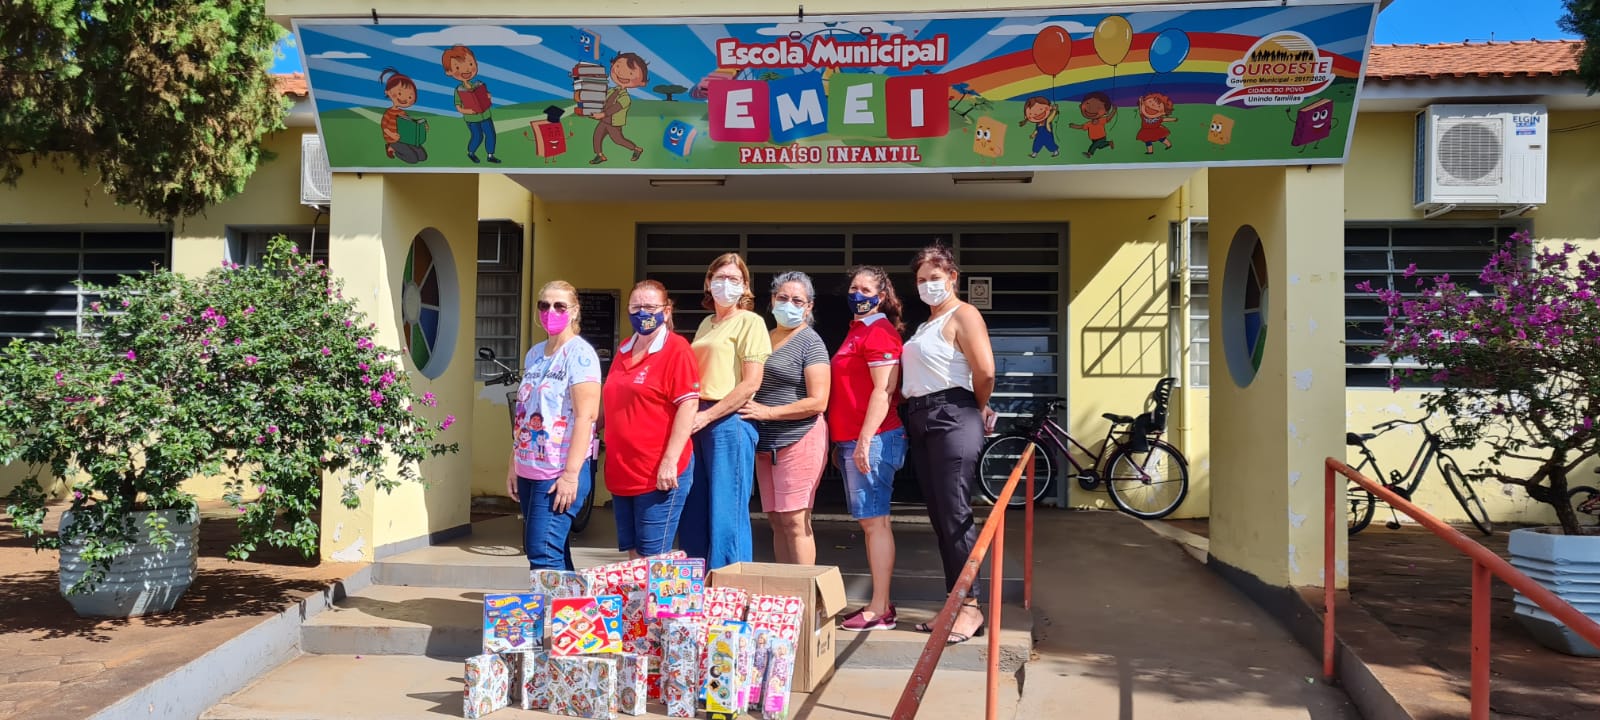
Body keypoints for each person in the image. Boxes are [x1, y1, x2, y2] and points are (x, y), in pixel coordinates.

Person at [902, 245, 998, 646]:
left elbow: (985, 371)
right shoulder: (927, 324)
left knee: (955, 512)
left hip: (952, 413)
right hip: (921, 416)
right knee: (941, 516)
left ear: (953, 277)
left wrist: (976, 407)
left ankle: (971, 606)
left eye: (935, 278)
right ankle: (953, 602)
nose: (928, 285)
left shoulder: (964, 314)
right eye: (921, 280)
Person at [680, 254, 771, 568]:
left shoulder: (750, 322)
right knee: (694, 507)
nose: (726, 284)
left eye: (734, 279)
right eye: (720, 278)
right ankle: (696, 581)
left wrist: (709, 415)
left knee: (726, 512)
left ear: (745, 286)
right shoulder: (706, 324)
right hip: (697, 418)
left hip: (727, 421)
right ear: (708, 282)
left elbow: (751, 383)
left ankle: (730, 583)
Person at [830, 265, 907, 631]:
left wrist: (863, 440)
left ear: (881, 296)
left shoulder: (879, 332)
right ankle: (880, 605)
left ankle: (879, 609)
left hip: (874, 439)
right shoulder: (857, 330)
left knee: (875, 523)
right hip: (857, 439)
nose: (857, 294)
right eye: (853, 288)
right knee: (872, 522)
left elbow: (884, 390)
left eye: (865, 289)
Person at [603, 280, 700, 558]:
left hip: (657, 473)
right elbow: (610, 402)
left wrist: (670, 461)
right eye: (636, 307)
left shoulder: (677, 349)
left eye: (650, 307)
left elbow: (688, 405)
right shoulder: (624, 348)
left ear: (666, 312)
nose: (642, 313)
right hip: (623, 471)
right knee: (633, 556)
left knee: (653, 558)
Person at [507, 281, 600, 570]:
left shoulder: (580, 355)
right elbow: (525, 413)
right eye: (544, 305)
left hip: (558, 471)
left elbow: (586, 416)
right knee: (551, 550)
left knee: (542, 551)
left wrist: (571, 476)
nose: (551, 311)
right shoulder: (535, 354)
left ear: (574, 311)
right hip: (528, 467)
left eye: (560, 306)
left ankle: (549, 601)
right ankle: (571, 601)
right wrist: (513, 464)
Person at [740, 271, 830, 565]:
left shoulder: (811, 343)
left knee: (795, 521)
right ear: (772, 300)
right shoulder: (763, 338)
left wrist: (768, 412)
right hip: (766, 445)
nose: (789, 304)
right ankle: (785, 588)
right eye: (783, 297)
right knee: (776, 521)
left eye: (797, 300)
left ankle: (804, 590)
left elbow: (818, 401)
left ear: (809, 306)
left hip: (799, 439)